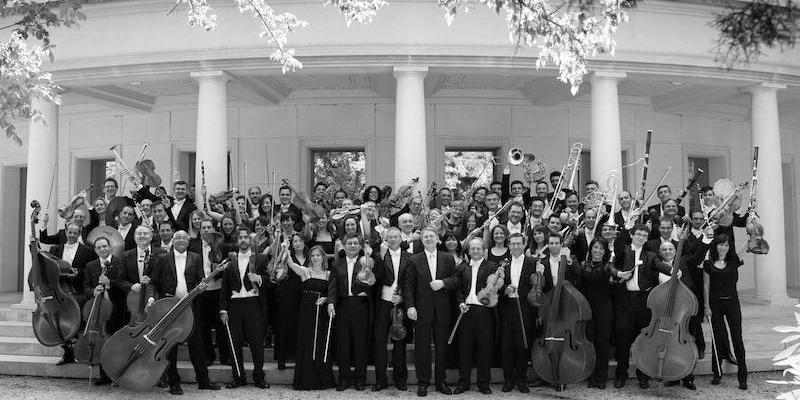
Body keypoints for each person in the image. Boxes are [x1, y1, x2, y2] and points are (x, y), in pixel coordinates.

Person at [146, 230, 220, 395]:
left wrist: (202, 287)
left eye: (184, 237)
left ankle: (203, 380)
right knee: (171, 347)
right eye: (177, 237)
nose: (181, 239)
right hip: (169, 308)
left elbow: (201, 278)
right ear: (172, 241)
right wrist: (151, 299)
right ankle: (174, 382)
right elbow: (152, 283)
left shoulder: (196, 257)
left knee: (197, 346)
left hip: (190, 306)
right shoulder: (163, 259)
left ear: (188, 241)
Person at [405, 227, 459, 397]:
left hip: (443, 309)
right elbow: (408, 286)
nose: (428, 238)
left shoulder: (448, 258)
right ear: (421, 240)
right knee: (422, 347)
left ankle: (440, 382)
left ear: (437, 239)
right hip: (421, 309)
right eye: (425, 236)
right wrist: (410, 306)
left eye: (431, 236)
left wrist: (443, 283)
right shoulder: (414, 259)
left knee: (442, 347)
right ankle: (423, 382)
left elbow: (456, 279)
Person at [610, 224, 662, 389]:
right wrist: (625, 228)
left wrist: (673, 270)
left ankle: (643, 376)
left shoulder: (651, 255)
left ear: (646, 238)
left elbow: (660, 266)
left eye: (644, 235)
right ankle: (621, 375)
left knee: (644, 341)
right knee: (623, 341)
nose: (640, 237)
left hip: (643, 301)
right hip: (625, 301)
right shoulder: (623, 251)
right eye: (638, 234)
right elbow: (613, 259)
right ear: (632, 235)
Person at [219, 225, 269, 389]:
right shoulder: (230, 261)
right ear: (236, 241)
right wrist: (223, 309)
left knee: (256, 344)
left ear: (251, 239)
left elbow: (271, 280)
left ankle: (259, 377)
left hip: (253, 303)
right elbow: (225, 288)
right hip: (234, 305)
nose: (243, 240)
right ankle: (238, 377)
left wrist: (260, 278)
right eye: (240, 237)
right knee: (234, 343)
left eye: (246, 237)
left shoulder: (260, 258)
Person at [326, 233, 376, 391]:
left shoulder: (366, 262)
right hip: (342, 306)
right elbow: (332, 286)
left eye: (355, 243)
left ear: (360, 246)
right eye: (349, 243)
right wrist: (331, 303)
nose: (352, 246)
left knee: (360, 344)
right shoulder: (336, 264)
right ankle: (344, 378)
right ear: (344, 245)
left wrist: (367, 291)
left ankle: (360, 379)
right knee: (343, 344)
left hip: (361, 306)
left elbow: (374, 282)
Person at [283, 245, 335, 390]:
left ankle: (321, 379)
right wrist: (286, 248)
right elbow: (290, 264)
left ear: (323, 257)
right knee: (307, 342)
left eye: (318, 255)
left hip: (322, 311)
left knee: (320, 342)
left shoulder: (329, 274)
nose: (316, 258)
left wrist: (325, 299)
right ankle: (306, 379)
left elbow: (332, 293)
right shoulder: (306, 271)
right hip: (307, 311)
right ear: (310, 258)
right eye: (313, 255)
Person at [536, 232, 580, 391]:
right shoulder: (543, 261)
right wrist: (539, 273)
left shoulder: (570, 259)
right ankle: (548, 373)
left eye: (556, 243)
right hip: (550, 302)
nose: (554, 246)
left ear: (561, 244)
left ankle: (565, 371)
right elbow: (543, 286)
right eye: (551, 243)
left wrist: (568, 261)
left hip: (567, 301)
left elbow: (577, 275)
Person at [453, 237, 498, 395]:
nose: (475, 251)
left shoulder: (492, 267)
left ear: (484, 250)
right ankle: (463, 382)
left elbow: (497, 284)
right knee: (464, 349)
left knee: (484, 349)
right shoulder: (462, 268)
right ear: (469, 251)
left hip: (484, 312)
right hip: (466, 311)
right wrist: (460, 302)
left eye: (478, 248)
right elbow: (457, 289)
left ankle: (483, 383)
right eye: (472, 248)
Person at [704, 234, 748, 390]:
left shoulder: (733, 261)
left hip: (732, 303)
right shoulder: (708, 264)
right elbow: (706, 286)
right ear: (715, 246)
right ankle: (717, 373)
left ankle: (742, 376)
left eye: (726, 245)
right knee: (717, 337)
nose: (723, 247)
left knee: (737, 338)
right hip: (715, 303)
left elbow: (746, 248)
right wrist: (706, 306)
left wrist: (750, 237)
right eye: (720, 244)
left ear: (729, 247)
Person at [49, 222, 97, 365]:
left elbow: (90, 271)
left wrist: (78, 272)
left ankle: (76, 349)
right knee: (58, 322)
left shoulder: (87, 251)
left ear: (79, 234)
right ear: (65, 232)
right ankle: (67, 352)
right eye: (70, 232)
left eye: (75, 233)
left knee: (75, 321)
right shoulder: (55, 249)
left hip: (78, 291)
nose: (72, 235)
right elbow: (49, 269)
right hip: (59, 291)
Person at [373, 227, 413, 391]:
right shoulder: (379, 256)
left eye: (397, 236)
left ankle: (400, 379)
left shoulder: (409, 257)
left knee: (400, 340)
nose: (394, 239)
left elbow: (411, 281)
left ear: (401, 238)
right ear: (386, 239)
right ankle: (380, 380)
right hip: (383, 302)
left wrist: (403, 296)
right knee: (380, 341)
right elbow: (376, 278)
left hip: (401, 302)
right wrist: (381, 258)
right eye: (390, 237)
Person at [83, 236, 125, 386]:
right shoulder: (90, 266)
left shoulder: (120, 263)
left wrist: (109, 285)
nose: (102, 249)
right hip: (100, 311)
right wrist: (92, 291)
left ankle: (117, 375)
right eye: (99, 247)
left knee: (116, 344)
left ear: (110, 247)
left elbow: (123, 284)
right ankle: (104, 376)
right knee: (102, 343)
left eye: (104, 246)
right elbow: (85, 287)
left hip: (117, 309)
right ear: (95, 250)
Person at [188, 218, 229, 366]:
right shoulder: (193, 246)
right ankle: (208, 356)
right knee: (203, 325)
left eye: (208, 227)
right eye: (203, 227)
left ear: (213, 229)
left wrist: (221, 270)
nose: (206, 230)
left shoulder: (221, 246)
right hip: (200, 292)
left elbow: (228, 267)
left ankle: (225, 356)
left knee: (221, 325)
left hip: (217, 289)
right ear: (199, 230)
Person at [499, 233, 535, 393]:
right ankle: (508, 380)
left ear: (524, 245)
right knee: (507, 345)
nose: (515, 246)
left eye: (518, 244)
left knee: (522, 345)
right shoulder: (503, 264)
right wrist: (504, 290)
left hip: (525, 308)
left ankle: (521, 379)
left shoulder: (532, 263)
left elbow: (539, 285)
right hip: (508, 307)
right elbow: (497, 288)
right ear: (508, 245)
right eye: (512, 244)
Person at [578, 238, 614, 389]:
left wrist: (621, 274)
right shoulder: (583, 265)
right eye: (595, 248)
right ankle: (591, 376)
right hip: (587, 309)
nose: (598, 251)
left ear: (605, 251)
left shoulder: (607, 266)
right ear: (591, 249)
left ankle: (601, 378)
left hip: (604, 309)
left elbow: (615, 272)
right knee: (590, 343)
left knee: (603, 343)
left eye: (601, 248)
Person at [117, 225, 166, 321]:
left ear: (151, 237)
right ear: (134, 237)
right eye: (139, 234)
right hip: (134, 297)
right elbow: (120, 279)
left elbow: (166, 276)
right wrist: (131, 286)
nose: (142, 236)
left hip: (156, 296)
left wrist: (152, 281)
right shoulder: (125, 255)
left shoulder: (162, 253)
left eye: (145, 233)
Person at [274, 233, 304, 370]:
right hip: (288, 294)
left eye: (300, 241)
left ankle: (299, 357)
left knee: (300, 326)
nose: (297, 243)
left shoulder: (310, 257)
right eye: (295, 241)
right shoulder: (286, 255)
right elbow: (276, 268)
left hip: (304, 295)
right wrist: (283, 250)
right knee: (284, 326)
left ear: (304, 243)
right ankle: (282, 358)